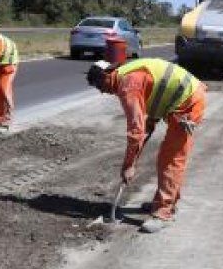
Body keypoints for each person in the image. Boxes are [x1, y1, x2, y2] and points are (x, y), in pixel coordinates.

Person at [86, 58, 207, 233]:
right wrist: (150, 123)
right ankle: (166, 203)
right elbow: (156, 92)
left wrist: (129, 165)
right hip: (184, 99)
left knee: (170, 160)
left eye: (99, 85)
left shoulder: (127, 85)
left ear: (106, 75)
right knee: (167, 159)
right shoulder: (128, 75)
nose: (102, 91)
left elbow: (135, 130)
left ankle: (163, 213)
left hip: (187, 105)